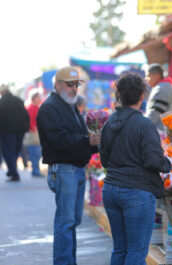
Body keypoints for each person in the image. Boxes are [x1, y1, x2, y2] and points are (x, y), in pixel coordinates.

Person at [99, 72, 172, 265]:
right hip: (137, 192)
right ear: (142, 97)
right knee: (136, 252)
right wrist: (168, 164)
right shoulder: (144, 124)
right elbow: (154, 160)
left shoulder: (108, 124)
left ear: (119, 95)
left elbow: (104, 160)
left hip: (111, 189)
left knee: (120, 249)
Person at [36, 66, 100, 265]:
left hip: (75, 169)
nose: (74, 88)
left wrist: (96, 143)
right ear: (57, 85)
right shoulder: (49, 108)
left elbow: (78, 138)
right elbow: (60, 141)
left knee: (72, 222)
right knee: (66, 223)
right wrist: (89, 142)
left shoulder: (68, 105)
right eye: (70, 84)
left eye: (76, 84)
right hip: (65, 170)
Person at [0, 84, 30, 181]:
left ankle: (13, 173)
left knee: (9, 152)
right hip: (19, 131)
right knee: (15, 151)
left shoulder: (2, 102)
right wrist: (25, 128)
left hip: (7, 132)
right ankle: (12, 170)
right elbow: (25, 115)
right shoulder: (18, 100)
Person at [145, 63, 172, 131]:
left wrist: (142, 125)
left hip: (160, 132)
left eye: (148, 76)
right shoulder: (166, 86)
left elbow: (154, 114)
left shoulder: (162, 88)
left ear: (157, 76)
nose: (146, 79)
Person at [25, 89, 43, 177]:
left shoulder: (37, 107)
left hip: (37, 134)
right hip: (34, 134)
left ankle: (36, 170)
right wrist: (33, 128)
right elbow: (29, 120)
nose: (40, 99)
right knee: (35, 153)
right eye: (39, 97)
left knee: (37, 153)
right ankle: (35, 170)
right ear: (34, 98)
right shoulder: (31, 107)